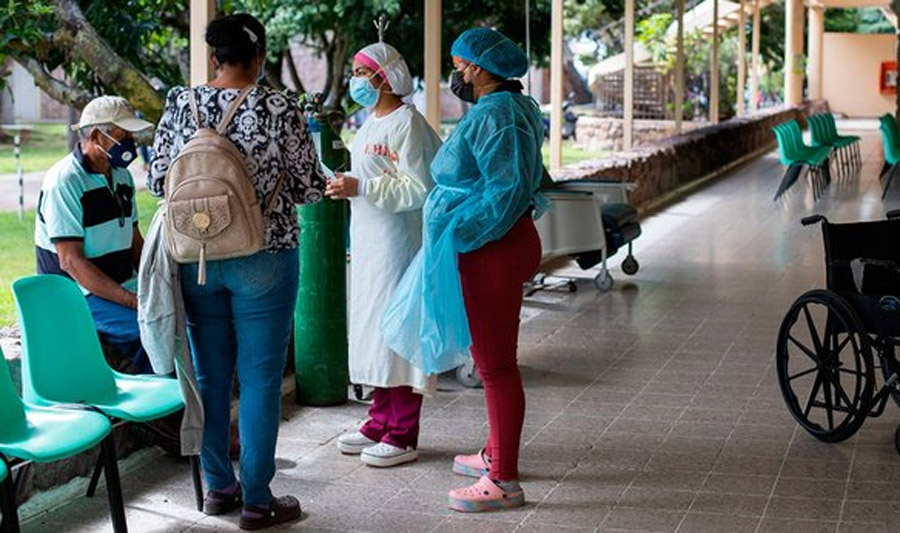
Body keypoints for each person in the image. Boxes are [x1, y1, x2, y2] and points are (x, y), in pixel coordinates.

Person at [148, 13, 325, 530]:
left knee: (210, 379)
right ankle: (256, 499)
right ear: (260, 57)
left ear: (213, 58)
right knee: (261, 381)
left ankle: (216, 489)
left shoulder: (182, 103)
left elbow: (159, 179)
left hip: (197, 255)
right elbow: (309, 187)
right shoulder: (278, 105)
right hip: (265, 253)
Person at [394, 27, 544, 512]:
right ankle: (496, 452)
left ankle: (503, 480)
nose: (456, 73)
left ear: (479, 69)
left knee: (496, 366)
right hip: (500, 245)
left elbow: (506, 192)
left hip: (491, 248)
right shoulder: (513, 108)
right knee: (492, 360)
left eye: (460, 65)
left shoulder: (498, 113)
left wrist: (460, 234)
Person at [328, 42, 442, 468]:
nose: (356, 79)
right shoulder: (369, 123)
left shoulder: (407, 124)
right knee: (375, 330)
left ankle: (402, 431)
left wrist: (364, 187)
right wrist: (347, 183)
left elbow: (420, 187)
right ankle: (378, 419)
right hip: (369, 242)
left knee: (399, 333)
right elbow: (373, 174)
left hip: (398, 243)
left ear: (384, 76)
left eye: (362, 71)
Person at [35, 95, 154, 374]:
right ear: (99, 136)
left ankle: (185, 409)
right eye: (123, 135)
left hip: (121, 284)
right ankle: (168, 413)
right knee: (147, 335)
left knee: (180, 322)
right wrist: (131, 301)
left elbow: (135, 241)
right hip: (77, 295)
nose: (131, 144)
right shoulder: (64, 182)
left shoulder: (122, 177)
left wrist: (155, 283)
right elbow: (71, 263)